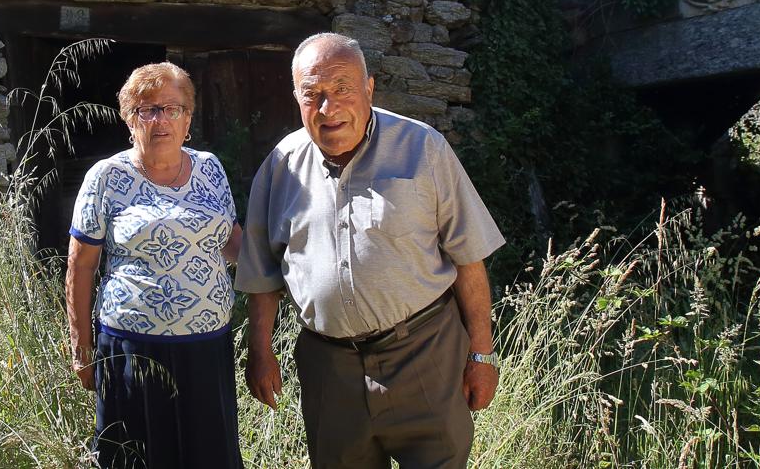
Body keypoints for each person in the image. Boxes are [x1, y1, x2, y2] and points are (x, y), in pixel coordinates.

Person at [236, 33, 505, 468]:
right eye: (313, 95)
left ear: (369, 88)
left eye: (342, 89)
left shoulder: (423, 148)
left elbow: (469, 258)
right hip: (329, 369)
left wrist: (481, 354)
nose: (329, 108)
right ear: (296, 99)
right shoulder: (281, 165)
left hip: (425, 354)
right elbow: (263, 274)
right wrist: (260, 350)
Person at [65, 62, 244, 468]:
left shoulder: (211, 169)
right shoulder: (106, 177)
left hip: (207, 346)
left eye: (172, 108)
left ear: (188, 119)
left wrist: (285, 264)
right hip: (133, 350)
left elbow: (231, 239)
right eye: (147, 109)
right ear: (130, 120)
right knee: (138, 457)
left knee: (209, 455)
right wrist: (81, 346)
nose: (160, 119)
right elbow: (81, 264)